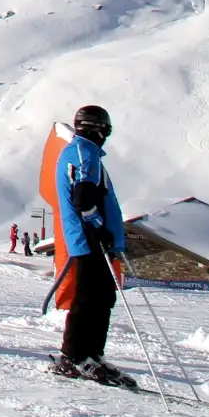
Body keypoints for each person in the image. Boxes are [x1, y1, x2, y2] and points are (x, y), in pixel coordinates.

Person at [51, 104, 134, 387]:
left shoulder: (83, 152)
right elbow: (83, 198)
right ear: (98, 128)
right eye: (105, 129)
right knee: (88, 298)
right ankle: (73, 355)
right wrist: (99, 228)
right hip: (88, 239)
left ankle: (92, 354)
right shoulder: (83, 154)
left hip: (91, 238)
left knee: (102, 298)